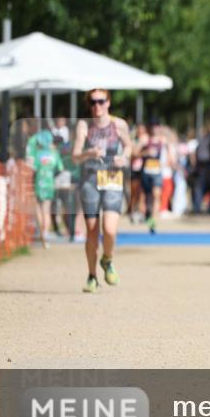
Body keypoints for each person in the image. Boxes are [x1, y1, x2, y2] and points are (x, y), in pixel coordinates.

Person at [71, 89, 132, 292]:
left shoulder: (119, 124)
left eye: (100, 101)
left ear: (108, 102)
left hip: (113, 179)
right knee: (91, 230)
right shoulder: (84, 125)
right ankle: (92, 276)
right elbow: (75, 156)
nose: (96, 106)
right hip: (90, 181)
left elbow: (129, 147)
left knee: (110, 229)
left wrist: (125, 158)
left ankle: (107, 259)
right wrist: (88, 152)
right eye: (92, 102)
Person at [30, 130, 63, 248]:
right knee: (46, 210)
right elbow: (60, 168)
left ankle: (42, 236)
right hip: (50, 184)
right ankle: (46, 234)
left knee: (38, 210)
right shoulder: (54, 154)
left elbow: (33, 170)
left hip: (38, 183)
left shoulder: (37, 154)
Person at [136, 117, 166, 234]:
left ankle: (153, 222)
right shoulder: (145, 139)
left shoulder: (162, 140)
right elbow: (135, 153)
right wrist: (145, 153)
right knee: (144, 196)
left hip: (157, 172)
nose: (155, 128)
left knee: (156, 195)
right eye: (152, 126)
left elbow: (169, 153)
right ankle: (146, 214)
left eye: (156, 126)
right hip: (146, 171)